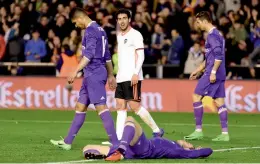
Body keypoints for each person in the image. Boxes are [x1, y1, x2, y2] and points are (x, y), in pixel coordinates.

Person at [50, 7, 118, 150]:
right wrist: (111, 74)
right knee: (80, 106)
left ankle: (116, 143)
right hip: (91, 74)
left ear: (80, 18)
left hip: (94, 73)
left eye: (75, 22)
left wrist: (74, 71)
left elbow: (89, 56)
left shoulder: (91, 30)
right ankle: (68, 142)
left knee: (101, 107)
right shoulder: (100, 30)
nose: (76, 25)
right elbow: (107, 56)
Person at [112, 8, 163, 142]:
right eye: (119, 19)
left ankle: (157, 130)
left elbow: (141, 56)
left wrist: (136, 73)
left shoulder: (136, 35)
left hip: (132, 76)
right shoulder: (119, 36)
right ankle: (118, 138)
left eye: (124, 18)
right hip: (121, 77)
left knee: (135, 107)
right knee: (120, 106)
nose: (122, 21)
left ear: (129, 20)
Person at [82, 116, 213, 162]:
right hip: (132, 150)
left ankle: (120, 150)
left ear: (188, 148)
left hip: (144, 148)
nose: (188, 142)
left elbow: (208, 151)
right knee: (86, 148)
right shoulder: (172, 143)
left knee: (130, 120)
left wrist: (198, 151)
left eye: (190, 144)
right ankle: (117, 153)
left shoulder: (178, 150)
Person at [184, 11, 229, 141]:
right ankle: (225, 134)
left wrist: (213, 72)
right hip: (219, 72)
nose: (197, 25)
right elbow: (211, 57)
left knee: (196, 96)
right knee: (220, 101)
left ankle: (198, 130)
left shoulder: (212, 36)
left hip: (212, 72)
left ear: (204, 21)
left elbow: (219, 57)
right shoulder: (218, 35)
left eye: (198, 22)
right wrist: (198, 70)